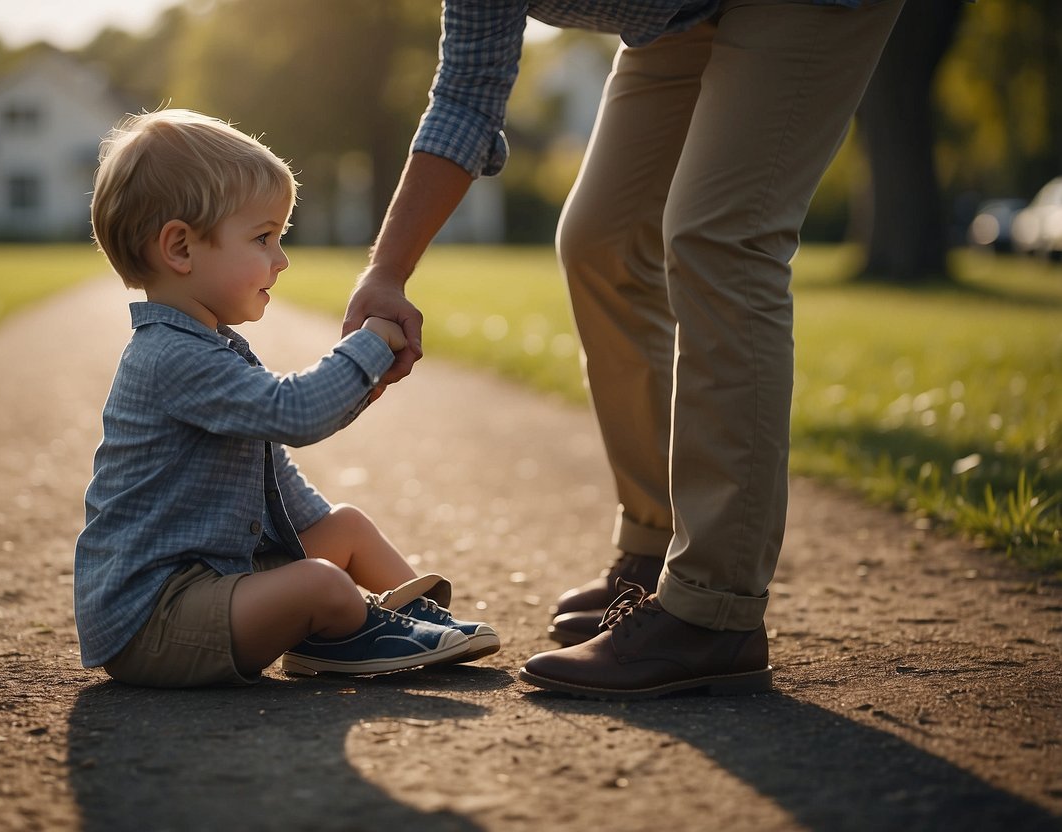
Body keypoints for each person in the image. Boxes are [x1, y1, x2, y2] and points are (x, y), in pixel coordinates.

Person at [341, 0, 906, 698]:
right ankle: (656, 541)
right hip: (673, 20)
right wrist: (387, 272)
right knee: (601, 241)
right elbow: (464, 98)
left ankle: (713, 609)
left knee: (720, 237)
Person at [76, 108, 499, 688]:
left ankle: (412, 623)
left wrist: (362, 389)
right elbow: (294, 412)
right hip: (155, 618)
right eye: (263, 238)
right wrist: (369, 349)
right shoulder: (170, 356)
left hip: (213, 581)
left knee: (344, 527)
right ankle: (347, 631)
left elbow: (273, 479)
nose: (282, 258)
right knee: (322, 581)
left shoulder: (210, 347)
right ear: (180, 248)